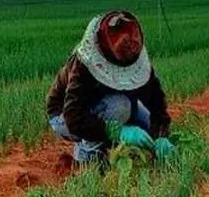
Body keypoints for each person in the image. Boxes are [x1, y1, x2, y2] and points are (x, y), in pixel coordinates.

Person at [46, 10, 175, 165]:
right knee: (121, 107)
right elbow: (74, 117)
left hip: (110, 104)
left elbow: (155, 102)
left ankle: (111, 137)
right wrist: (117, 131)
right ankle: (87, 157)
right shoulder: (83, 66)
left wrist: (161, 135)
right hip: (65, 116)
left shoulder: (134, 58)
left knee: (146, 123)